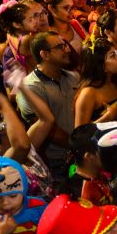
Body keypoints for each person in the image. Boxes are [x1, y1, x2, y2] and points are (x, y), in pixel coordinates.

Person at [16, 31, 79, 176]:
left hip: (80, 153)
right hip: (55, 163)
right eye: (60, 47)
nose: (68, 49)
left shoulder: (73, 77)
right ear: (44, 55)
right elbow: (46, 128)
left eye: (65, 45)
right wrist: (78, 145)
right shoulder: (30, 87)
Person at [73, 38, 117, 126]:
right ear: (100, 64)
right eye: (112, 56)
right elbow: (79, 133)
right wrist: (108, 117)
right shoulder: (88, 93)